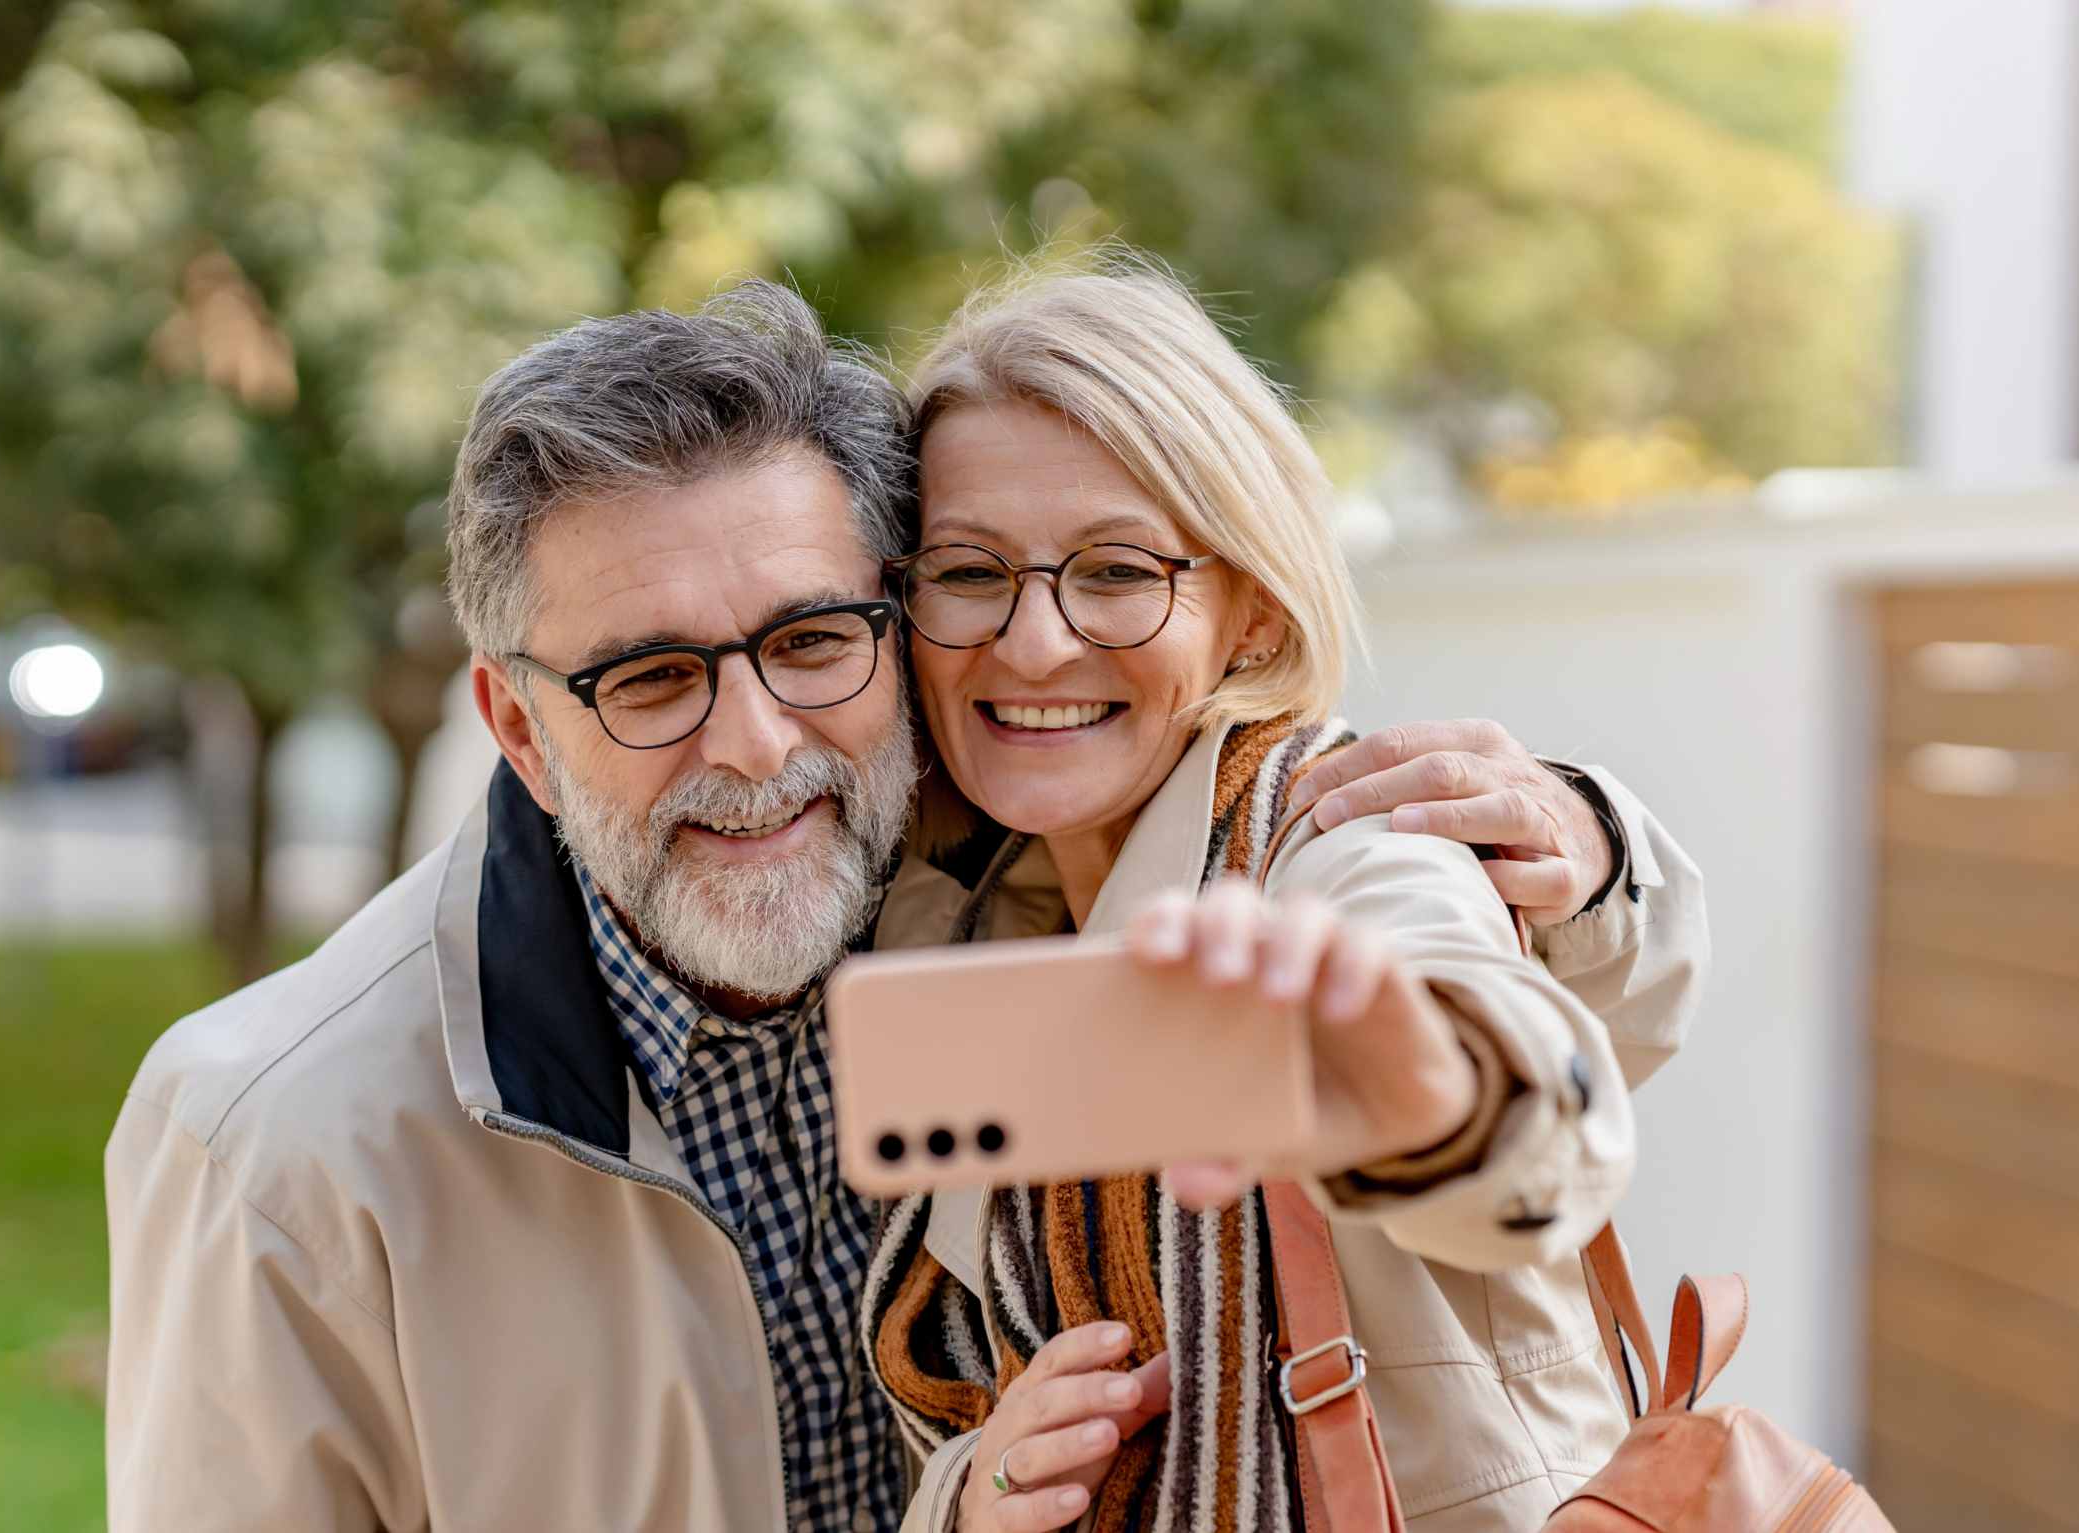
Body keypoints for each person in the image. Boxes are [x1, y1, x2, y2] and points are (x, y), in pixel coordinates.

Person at [102, 280, 1704, 1530]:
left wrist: (1485, 988)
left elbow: (1490, 1033)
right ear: (518, 724)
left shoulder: (1195, 865)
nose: (755, 745)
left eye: (810, 640)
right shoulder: (276, 1139)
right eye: (650, 677)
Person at [858, 253, 1705, 1533]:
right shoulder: (948, 923)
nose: (1032, 645)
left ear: (1251, 614)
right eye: (970, 572)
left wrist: (1422, 1088)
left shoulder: (1340, 838)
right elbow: (963, 1415)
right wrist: (973, 1497)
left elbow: (1532, 1112)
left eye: (1119, 572)